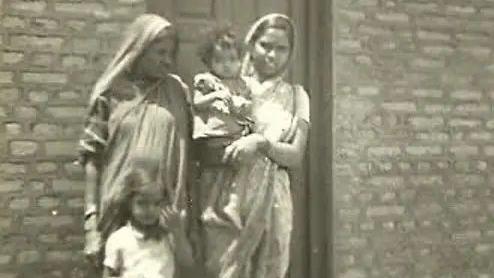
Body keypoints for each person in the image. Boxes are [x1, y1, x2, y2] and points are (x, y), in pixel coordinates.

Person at [198, 13, 310, 278]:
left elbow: (295, 155)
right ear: (252, 45)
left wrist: (260, 143)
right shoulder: (228, 85)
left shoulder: (297, 96)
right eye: (266, 46)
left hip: (272, 199)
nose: (272, 55)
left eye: (281, 49)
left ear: (290, 53)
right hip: (226, 196)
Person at [78, 14, 192, 272]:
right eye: (160, 52)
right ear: (139, 49)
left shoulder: (176, 91)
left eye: (171, 53)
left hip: (163, 211)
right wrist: (90, 222)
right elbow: (91, 158)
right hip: (118, 207)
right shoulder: (111, 93)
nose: (168, 61)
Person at [192, 25, 253, 229]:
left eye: (232, 60)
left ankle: (228, 206)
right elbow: (196, 103)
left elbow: (247, 110)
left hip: (233, 137)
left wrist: (243, 106)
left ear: (241, 60)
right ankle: (211, 207)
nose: (226, 66)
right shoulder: (207, 81)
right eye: (219, 60)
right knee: (211, 172)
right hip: (212, 136)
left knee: (233, 170)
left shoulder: (242, 85)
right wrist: (215, 95)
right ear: (209, 61)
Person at [103, 169, 193, 278]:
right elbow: (109, 273)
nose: (150, 210)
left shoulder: (168, 236)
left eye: (156, 203)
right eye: (142, 203)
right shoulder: (119, 238)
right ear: (129, 203)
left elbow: (187, 262)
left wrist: (178, 232)